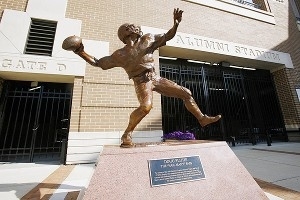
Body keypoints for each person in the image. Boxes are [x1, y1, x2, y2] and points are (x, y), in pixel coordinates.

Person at [67, 8, 221, 147]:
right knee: (146, 107)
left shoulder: (148, 39)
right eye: (133, 27)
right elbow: (98, 62)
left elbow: (168, 35)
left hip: (155, 78)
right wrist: (80, 51)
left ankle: (202, 118)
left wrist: (175, 24)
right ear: (127, 32)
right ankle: (127, 133)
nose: (138, 28)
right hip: (141, 81)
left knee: (186, 93)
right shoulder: (119, 55)